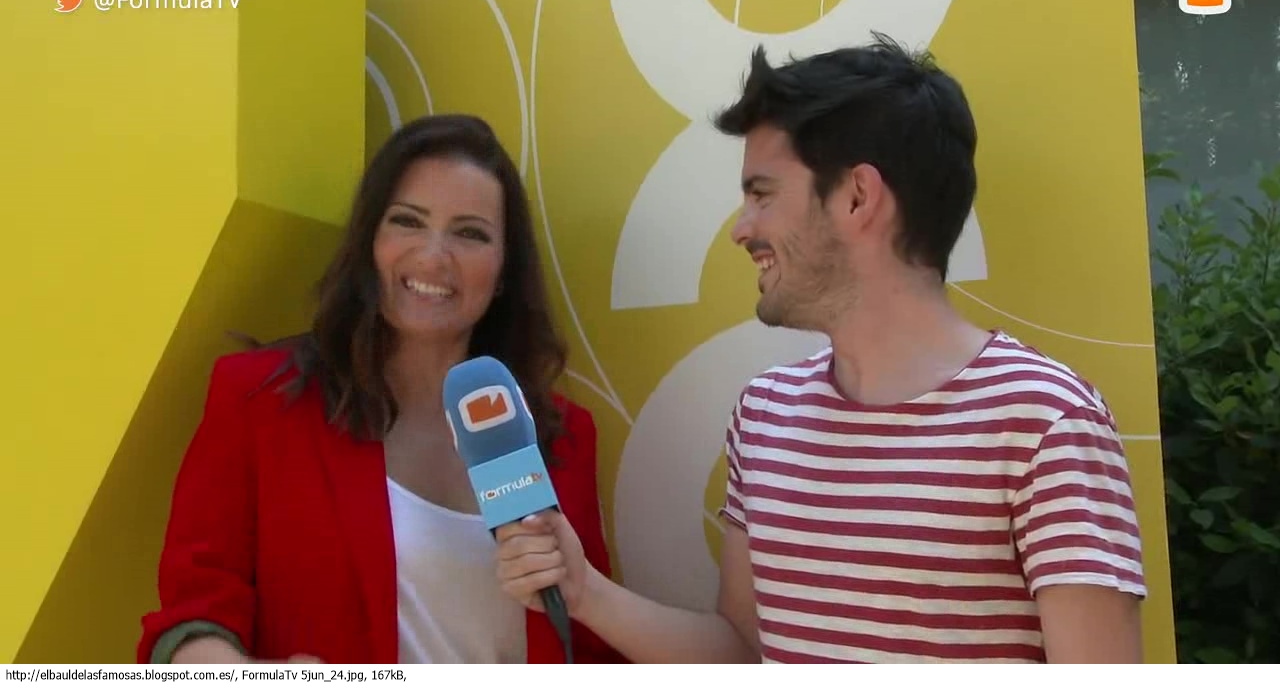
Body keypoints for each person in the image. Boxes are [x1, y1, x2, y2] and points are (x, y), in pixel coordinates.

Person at [493, 35, 1148, 663]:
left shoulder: (1045, 424)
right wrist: (584, 592)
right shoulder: (765, 415)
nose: (741, 229)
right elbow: (745, 655)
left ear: (858, 197)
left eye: (761, 194)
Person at [138, 113, 622, 664]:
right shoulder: (259, 398)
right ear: (371, 239)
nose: (433, 256)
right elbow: (191, 618)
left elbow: (591, 651)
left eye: (470, 233)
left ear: (504, 270)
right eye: (408, 221)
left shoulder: (563, 436)